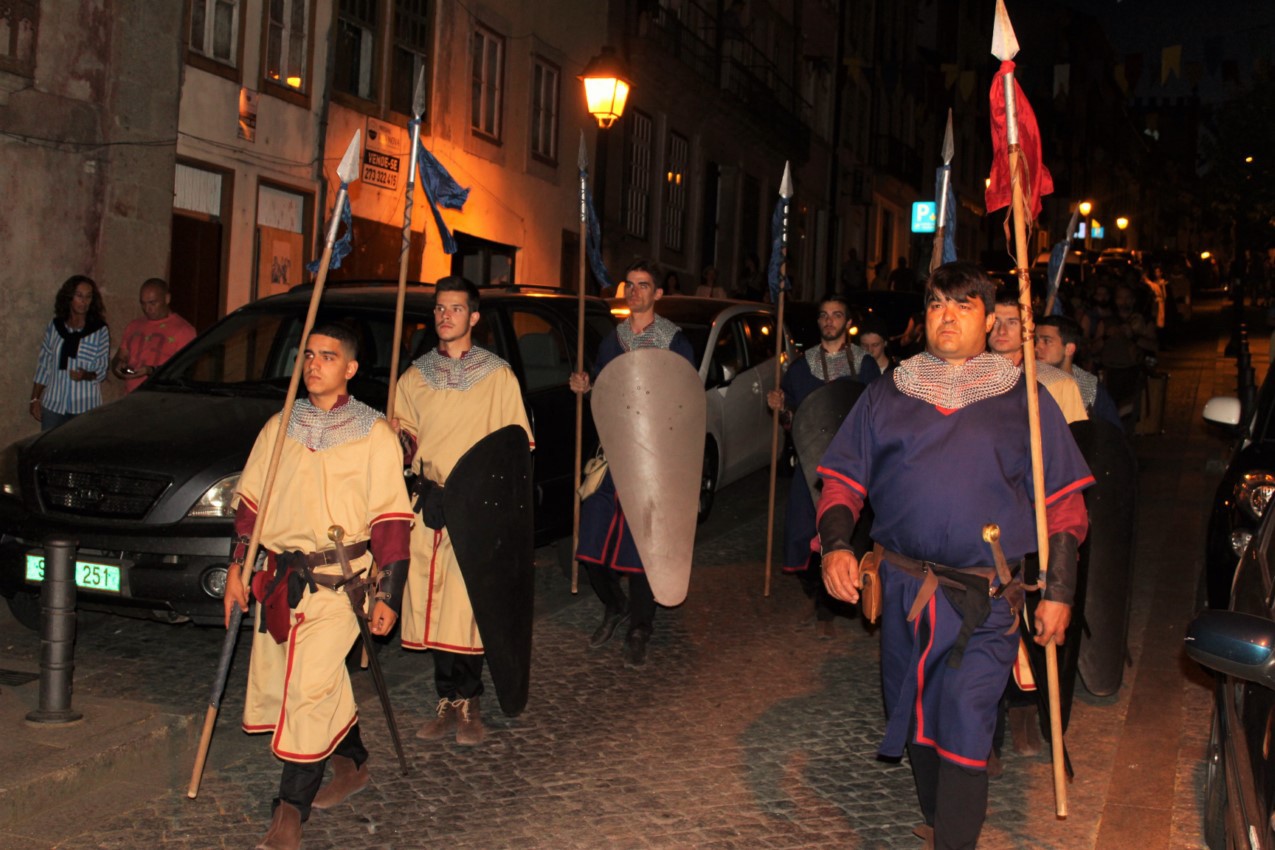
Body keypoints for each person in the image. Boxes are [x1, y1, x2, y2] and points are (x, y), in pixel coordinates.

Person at [815, 262, 1092, 849]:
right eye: (939, 303)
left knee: (965, 715)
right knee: (914, 714)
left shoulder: (1026, 399)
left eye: (965, 306)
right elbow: (841, 480)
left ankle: (954, 841)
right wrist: (838, 546)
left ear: (990, 320)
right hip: (900, 591)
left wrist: (1060, 593)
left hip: (984, 598)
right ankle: (944, 820)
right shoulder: (888, 392)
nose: (948, 315)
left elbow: (1064, 507)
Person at [222, 321, 413, 850]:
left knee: (307, 691)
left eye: (327, 356)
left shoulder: (375, 434)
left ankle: (289, 812)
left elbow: (393, 521)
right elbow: (250, 508)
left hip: (339, 587)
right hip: (283, 580)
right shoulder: (279, 427)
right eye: (308, 355)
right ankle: (353, 763)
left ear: (350, 368)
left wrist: (388, 594)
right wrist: (239, 568)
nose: (313, 364)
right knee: (313, 683)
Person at [393, 276, 534, 746]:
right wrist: (397, 441)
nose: (444, 316)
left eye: (455, 309)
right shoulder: (413, 378)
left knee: (470, 609)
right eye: (438, 309)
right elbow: (406, 438)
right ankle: (444, 700)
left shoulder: (497, 377)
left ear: (473, 317)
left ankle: (470, 703)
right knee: (433, 610)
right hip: (430, 505)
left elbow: (515, 450)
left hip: (478, 510)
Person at [570, 259, 696, 668]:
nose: (634, 291)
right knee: (589, 546)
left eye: (643, 286)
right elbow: (605, 393)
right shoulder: (613, 340)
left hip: (655, 460)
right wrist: (586, 386)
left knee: (645, 551)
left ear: (658, 294)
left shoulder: (675, 341)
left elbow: (685, 398)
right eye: (630, 284)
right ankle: (615, 604)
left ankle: (641, 627)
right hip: (614, 455)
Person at [766, 296, 880, 637]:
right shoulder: (801, 367)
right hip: (811, 462)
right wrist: (780, 406)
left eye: (837, 315)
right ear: (818, 323)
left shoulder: (865, 364)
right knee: (803, 531)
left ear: (847, 322)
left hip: (853, 464)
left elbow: (876, 410)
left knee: (846, 531)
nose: (829, 321)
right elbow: (794, 419)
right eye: (824, 316)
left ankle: (830, 606)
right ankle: (817, 592)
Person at [986, 289, 1088, 424]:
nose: (1002, 331)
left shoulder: (1059, 384)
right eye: (996, 321)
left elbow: (1076, 438)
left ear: (1029, 328)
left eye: (1012, 322)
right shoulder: (967, 376)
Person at [30, 275, 110, 431]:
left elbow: (102, 369)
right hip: (54, 404)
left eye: (88, 297)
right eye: (79, 296)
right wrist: (35, 399)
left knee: (79, 452)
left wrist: (85, 375)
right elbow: (44, 366)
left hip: (84, 405)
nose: (84, 301)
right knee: (50, 449)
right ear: (69, 297)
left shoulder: (99, 330)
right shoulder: (55, 327)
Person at [110, 277, 196, 392]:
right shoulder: (134, 326)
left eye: (152, 303)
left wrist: (150, 370)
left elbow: (185, 370)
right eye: (143, 304)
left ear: (167, 298)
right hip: (132, 397)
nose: (147, 308)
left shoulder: (184, 330)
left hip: (161, 398)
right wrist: (119, 365)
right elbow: (120, 356)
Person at [1036, 315, 1121, 428]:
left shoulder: (1091, 389)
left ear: (1069, 348)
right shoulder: (1027, 382)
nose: (1036, 348)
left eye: (1046, 341)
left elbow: (1114, 435)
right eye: (1036, 341)